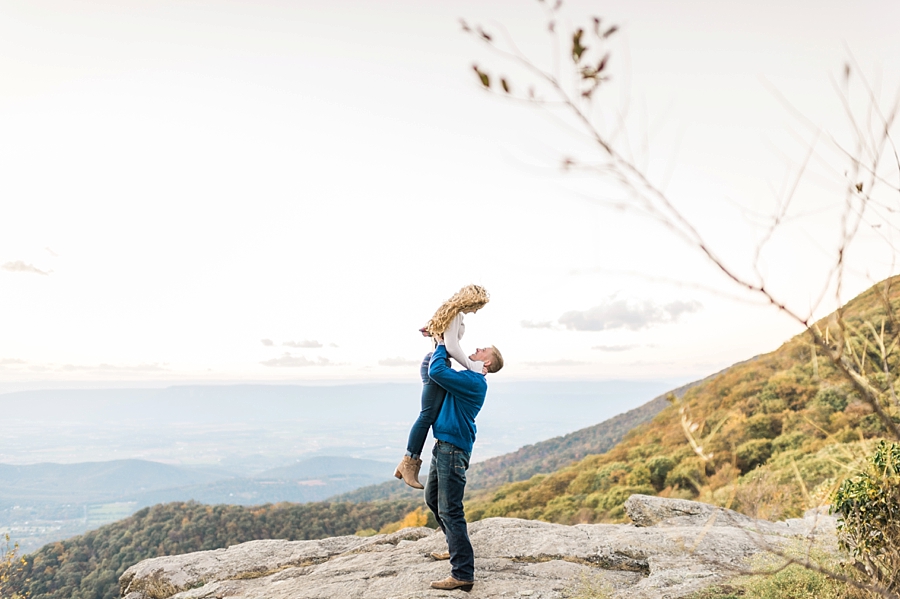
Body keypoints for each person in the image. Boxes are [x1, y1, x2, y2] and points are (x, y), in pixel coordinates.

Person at [424, 336, 503, 592]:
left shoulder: (473, 381)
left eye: (483, 350)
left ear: (487, 362)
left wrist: (440, 344)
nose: (477, 348)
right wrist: (439, 337)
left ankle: (463, 573)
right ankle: (454, 547)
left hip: (453, 450)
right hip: (443, 446)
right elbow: (442, 368)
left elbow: (436, 370)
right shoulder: (467, 378)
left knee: (450, 510)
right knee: (432, 499)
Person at [394, 312, 484, 489]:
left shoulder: (456, 317)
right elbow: (451, 346)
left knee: (429, 415)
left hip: (438, 361)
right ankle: (409, 463)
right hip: (435, 362)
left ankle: (406, 465)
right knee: (426, 416)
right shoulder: (455, 314)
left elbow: (448, 340)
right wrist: (472, 366)